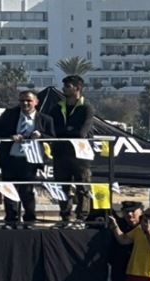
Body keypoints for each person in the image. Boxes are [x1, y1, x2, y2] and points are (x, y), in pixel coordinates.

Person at [0, 90, 55, 228]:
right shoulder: (10, 115)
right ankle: (10, 220)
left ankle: (29, 221)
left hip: (30, 160)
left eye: (28, 101)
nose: (25, 103)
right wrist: (10, 135)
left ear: (36, 102)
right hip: (11, 159)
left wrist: (41, 135)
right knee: (9, 190)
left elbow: (53, 137)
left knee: (27, 192)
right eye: (22, 101)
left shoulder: (45, 119)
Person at [46, 75, 94, 226]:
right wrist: (68, 130)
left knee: (83, 187)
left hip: (80, 154)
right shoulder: (58, 107)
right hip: (60, 153)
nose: (64, 89)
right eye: (64, 86)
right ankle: (66, 217)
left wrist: (64, 131)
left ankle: (82, 217)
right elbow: (52, 130)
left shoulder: (86, 107)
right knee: (62, 187)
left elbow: (81, 133)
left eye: (68, 86)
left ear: (77, 88)